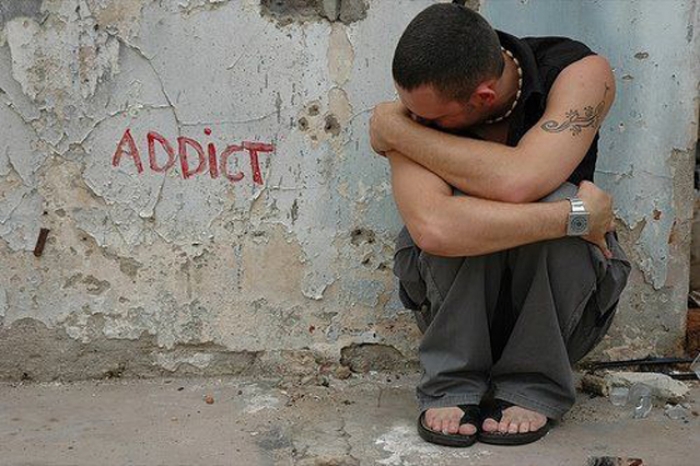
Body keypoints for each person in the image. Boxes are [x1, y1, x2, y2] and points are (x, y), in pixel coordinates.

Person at [369, 3, 631, 447]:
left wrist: (396, 133)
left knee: (554, 194)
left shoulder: (578, 72)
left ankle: (534, 384)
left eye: (431, 122)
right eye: (410, 119)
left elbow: (521, 180)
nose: (415, 123)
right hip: (450, 310)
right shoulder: (422, 104)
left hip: (563, 318)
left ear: (484, 97)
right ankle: (453, 382)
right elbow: (433, 228)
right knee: (549, 209)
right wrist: (575, 217)